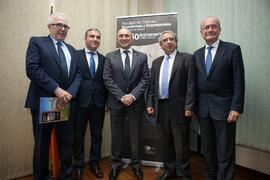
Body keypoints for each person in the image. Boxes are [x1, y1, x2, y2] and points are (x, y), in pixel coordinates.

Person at [25, 12, 82, 180]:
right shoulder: (37, 42)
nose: (62, 29)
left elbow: (78, 74)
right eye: (58, 25)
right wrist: (57, 89)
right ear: (49, 26)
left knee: (66, 145)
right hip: (45, 102)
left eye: (65, 26)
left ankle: (66, 177)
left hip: (65, 103)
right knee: (42, 146)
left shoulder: (71, 50)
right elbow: (32, 69)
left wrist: (70, 93)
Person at [194, 16, 245, 180]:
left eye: (213, 26)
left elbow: (239, 80)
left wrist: (236, 107)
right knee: (207, 150)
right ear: (201, 32)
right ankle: (210, 177)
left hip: (225, 109)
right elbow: (195, 84)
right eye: (206, 27)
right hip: (203, 110)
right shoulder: (197, 54)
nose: (209, 30)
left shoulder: (232, 49)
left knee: (225, 150)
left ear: (219, 30)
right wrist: (194, 108)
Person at [146, 31, 196, 180]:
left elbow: (192, 85)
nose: (169, 42)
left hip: (180, 108)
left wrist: (189, 106)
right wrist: (149, 103)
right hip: (161, 108)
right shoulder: (156, 62)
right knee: (166, 142)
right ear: (161, 45)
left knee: (181, 144)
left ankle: (183, 174)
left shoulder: (187, 58)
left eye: (171, 39)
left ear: (176, 42)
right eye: (165, 40)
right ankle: (170, 170)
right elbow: (151, 86)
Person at [103, 28, 149, 180]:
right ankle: (115, 166)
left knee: (136, 136)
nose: (124, 38)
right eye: (121, 35)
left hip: (135, 104)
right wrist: (122, 97)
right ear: (117, 39)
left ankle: (136, 165)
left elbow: (145, 79)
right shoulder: (110, 57)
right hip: (117, 103)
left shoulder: (141, 57)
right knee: (116, 136)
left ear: (132, 38)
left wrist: (133, 96)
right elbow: (107, 79)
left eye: (127, 35)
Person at [73, 28, 107, 180]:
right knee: (78, 136)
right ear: (85, 39)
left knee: (96, 136)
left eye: (98, 37)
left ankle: (94, 163)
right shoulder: (75, 55)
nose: (95, 39)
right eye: (92, 36)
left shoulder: (104, 59)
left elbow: (106, 82)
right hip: (79, 102)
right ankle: (78, 166)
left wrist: (107, 102)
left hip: (99, 104)